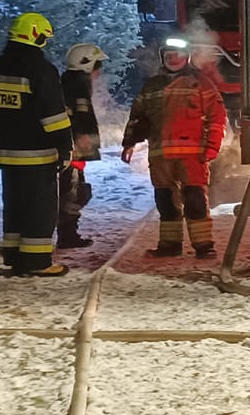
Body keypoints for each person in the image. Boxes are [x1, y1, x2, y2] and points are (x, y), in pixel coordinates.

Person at [0, 12, 74, 277]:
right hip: (37, 153)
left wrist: (5, 134)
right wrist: (65, 146)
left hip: (7, 152)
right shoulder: (40, 69)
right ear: (37, 36)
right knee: (39, 207)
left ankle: (15, 256)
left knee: (15, 206)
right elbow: (53, 115)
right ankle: (37, 262)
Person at [122, 40, 228, 259]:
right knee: (165, 201)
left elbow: (217, 117)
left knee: (195, 200)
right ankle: (169, 245)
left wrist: (212, 146)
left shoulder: (201, 83)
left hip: (192, 155)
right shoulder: (151, 86)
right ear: (163, 58)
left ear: (186, 57)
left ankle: (204, 246)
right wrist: (129, 143)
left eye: (177, 54)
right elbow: (138, 118)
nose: (173, 59)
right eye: (169, 55)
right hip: (160, 155)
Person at [58, 42, 106, 250]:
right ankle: (67, 235)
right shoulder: (76, 86)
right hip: (72, 151)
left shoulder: (69, 83)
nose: (98, 72)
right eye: (97, 66)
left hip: (71, 150)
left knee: (74, 191)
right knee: (74, 192)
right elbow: (79, 118)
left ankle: (67, 233)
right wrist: (81, 141)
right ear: (87, 64)